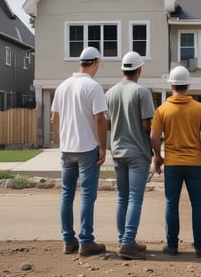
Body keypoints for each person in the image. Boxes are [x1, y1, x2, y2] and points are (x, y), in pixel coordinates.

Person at [150, 65, 201, 258]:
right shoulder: (200, 108)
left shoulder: (162, 110)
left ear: (171, 84)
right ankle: (200, 247)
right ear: (188, 85)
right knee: (197, 204)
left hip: (172, 163)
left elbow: (154, 137)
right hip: (194, 164)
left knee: (171, 203)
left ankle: (172, 246)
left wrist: (157, 155)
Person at [51, 46, 107, 256]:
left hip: (67, 149)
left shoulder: (63, 86)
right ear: (96, 62)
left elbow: (54, 118)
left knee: (66, 194)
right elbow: (99, 118)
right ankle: (86, 241)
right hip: (87, 148)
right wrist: (103, 146)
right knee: (87, 195)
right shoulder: (93, 87)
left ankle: (68, 241)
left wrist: (60, 140)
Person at [105, 51, 155, 260]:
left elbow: (107, 124)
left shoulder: (110, 93)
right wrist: (155, 149)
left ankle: (124, 238)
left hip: (117, 151)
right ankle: (128, 243)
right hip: (137, 152)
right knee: (135, 198)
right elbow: (146, 124)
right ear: (139, 69)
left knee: (122, 198)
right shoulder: (141, 92)